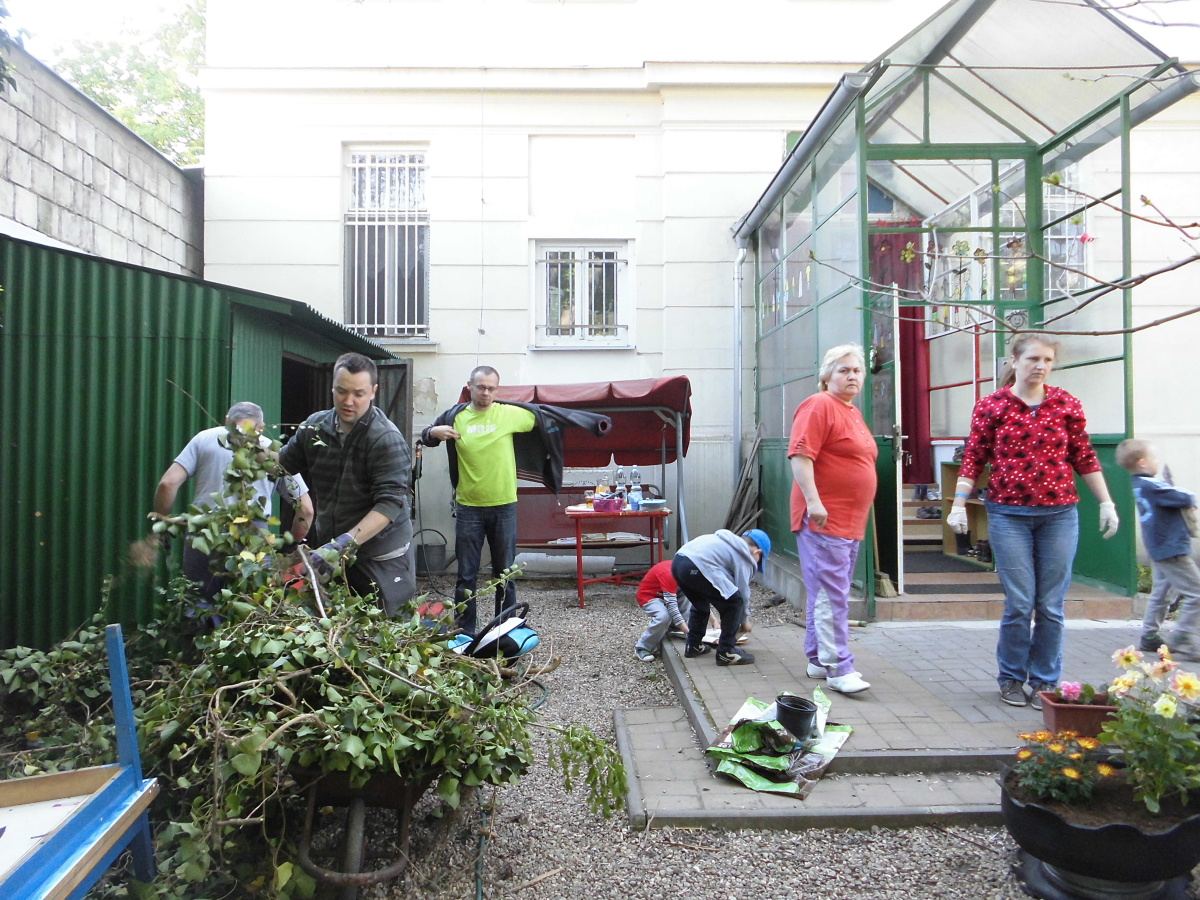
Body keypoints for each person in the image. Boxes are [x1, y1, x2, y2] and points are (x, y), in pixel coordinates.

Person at [948, 333, 1119, 709]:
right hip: (1009, 515)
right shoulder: (992, 406)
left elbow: (1083, 456)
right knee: (1021, 602)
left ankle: (1045, 681)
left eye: (1047, 360)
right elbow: (974, 457)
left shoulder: (1065, 403)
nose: (1040, 366)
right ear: (1015, 360)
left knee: (1051, 604)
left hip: (1059, 515)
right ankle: (1011, 677)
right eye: (1032, 359)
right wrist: (959, 503)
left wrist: (1107, 502)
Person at [420, 366, 609, 634]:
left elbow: (550, 418)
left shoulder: (509, 414)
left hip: (504, 507)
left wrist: (592, 423)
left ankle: (505, 627)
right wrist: (433, 433)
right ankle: (465, 630)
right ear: (470, 387)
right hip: (468, 508)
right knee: (466, 574)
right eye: (481, 387)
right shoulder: (455, 416)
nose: (486, 392)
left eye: (491, 388)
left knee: (505, 573)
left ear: (497, 390)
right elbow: (427, 437)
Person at [279, 352, 416, 616]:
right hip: (332, 551)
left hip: (379, 556)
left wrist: (342, 545)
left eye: (358, 393)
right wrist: (250, 449)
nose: (348, 401)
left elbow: (389, 505)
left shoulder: (385, 438)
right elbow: (283, 463)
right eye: (341, 391)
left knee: (382, 626)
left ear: (373, 391)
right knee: (336, 624)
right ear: (333, 387)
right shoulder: (315, 428)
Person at [150, 401, 313, 600]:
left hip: (205, 536)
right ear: (261, 427)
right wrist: (290, 546)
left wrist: (163, 522)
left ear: (226, 420)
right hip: (253, 541)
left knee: (198, 606)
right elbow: (306, 510)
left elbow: (167, 484)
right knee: (251, 608)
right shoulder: (276, 454)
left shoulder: (204, 439)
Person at [789, 344, 877, 695]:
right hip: (825, 518)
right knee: (832, 593)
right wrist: (814, 502)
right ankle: (839, 666)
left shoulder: (850, 411)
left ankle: (817, 658)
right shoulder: (820, 405)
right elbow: (800, 455)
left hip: (847, 521)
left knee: (826, 591)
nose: (852, 376)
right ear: (827, 376)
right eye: (844, 370)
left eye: (857, 370)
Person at [1116, 439, 1200, 660]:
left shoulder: (1139, 485)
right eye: (1154, 458)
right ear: (1142, 463)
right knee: (1196, 593)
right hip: (1172, 549)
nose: (1157, 461)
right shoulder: (1152, 486)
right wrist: (1187, 497)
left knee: (1161, 592)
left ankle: (1149, 635)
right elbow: (1185, 496)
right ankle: (1183, 638)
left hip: (1158, 547)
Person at [672, 529, 770, 667]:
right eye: (759, 562)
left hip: (678, 563)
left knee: (700, 604)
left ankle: (693, 645)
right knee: (734, 603)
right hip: (696, 565)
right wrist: (744, 621)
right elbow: (742, 592)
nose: (756, 566)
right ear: (757, 552)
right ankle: (726, 652)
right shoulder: (744, 555)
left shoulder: (726, 543)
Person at [634, 559, 690, 663]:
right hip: (649, 596)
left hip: (668, 594)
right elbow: (671, 605)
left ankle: (675, 628)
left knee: (688, 595)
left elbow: (698, 598)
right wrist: (689, 633)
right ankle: (643, 647)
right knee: (664, 616)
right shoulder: (669, 573)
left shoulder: (688, 571)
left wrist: (714, 621)